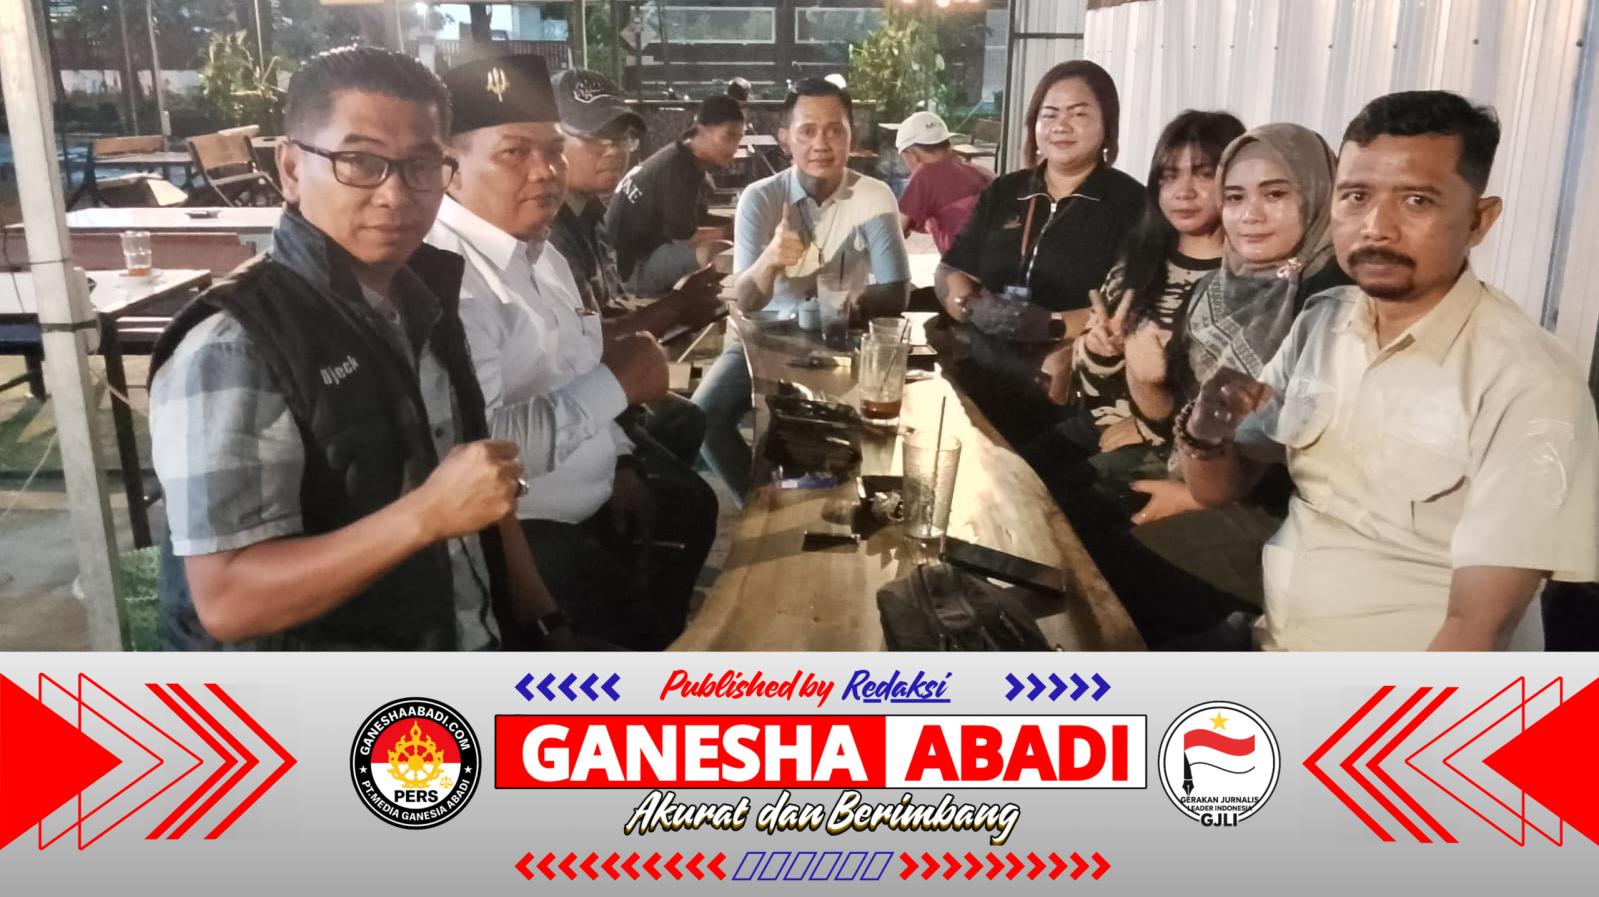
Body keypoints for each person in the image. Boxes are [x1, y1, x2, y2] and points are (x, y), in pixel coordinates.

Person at [149, 46, 569, 651]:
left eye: (421, 165)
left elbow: (481, 493)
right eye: (359, 162)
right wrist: (426, 515)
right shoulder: (235, 347)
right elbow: (228, 600)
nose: (395, 195)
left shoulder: (425, 298)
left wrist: (546, 624)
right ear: (291, 168)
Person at [1181, 90, 1599, 651]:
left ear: (1479, 221)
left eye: (1417, 201)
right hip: (1276, 640)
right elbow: (1220, 488)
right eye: (1356, 196)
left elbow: (1477, 631)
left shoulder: (1528, 379)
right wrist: (1206, 433)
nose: (1376, 226)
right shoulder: (1322, 323)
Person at [427, 54, 718, 650]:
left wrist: (621, 461)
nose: (545, 171)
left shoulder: (543, 252)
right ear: (449, 171)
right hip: (529, 528)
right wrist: (621, 384)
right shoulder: (449, 277)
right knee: (634, 638)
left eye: (554, 150)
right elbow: (483, 448)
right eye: (514, 153)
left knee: (691, 507)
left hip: (590, 491)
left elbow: (575, 365)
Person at [692, 77, 911, 502]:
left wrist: (847, 303)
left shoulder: (874, 196)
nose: (821, 144)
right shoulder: (760, 198)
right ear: (785, 139)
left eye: (834, 130)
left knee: (849, 432)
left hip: (842, 336)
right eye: (807, 131)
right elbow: (748, 302)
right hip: (763, 336)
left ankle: (841, 503)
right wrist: (771, 259)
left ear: (851, 136)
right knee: (703, 416)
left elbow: (896, 293)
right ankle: (759, 506)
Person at [1032, 110, 1245, 478]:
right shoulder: (1138, 262)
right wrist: (1099, 351)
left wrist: (1149, 427)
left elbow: (1233, 411)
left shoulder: (1245, 282)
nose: (1183, 191)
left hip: (1184, 455)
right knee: (1011, 475)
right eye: (1169, 175)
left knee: (1061, 499)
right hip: (1105, 420)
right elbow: (1091, 387)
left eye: (1204, 174)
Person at [936, 60, 1143, 340]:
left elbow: (1131, 308)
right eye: (1049, 115)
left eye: (1078, 114)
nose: (1061, 126)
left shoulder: (1132, 205)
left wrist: (1051, 324)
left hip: (1073, 361)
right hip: (983, 358)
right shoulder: (1004, 191)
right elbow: (951, 269)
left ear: (1108, 124)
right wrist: (971, 307)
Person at [549, 68, 723, 341]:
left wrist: (680, 306)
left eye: (621, 137)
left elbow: (604, 310)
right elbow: (580, 343)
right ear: (551, 141)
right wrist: (675, 308)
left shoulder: (589, 210)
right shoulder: (546, 229)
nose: (613, 150)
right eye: (595, 136)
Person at [606, 94, 744, 297]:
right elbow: (683, 237)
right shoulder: (679, 168)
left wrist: (735, 223)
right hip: (629, 271)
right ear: (702, 130)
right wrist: (732, 230)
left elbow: (695, 220)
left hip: (632, 257)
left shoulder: (681, 156)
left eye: (738, 139)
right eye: (728, 137)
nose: (734, 148)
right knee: (718, 250)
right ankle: (691, 300)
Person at [895, 109, 994, 255]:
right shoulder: (978, 171)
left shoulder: (924, 174)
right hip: (1000, 256)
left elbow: (896, 232)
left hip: (965, 262)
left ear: (912, 153)